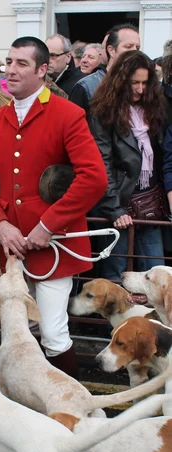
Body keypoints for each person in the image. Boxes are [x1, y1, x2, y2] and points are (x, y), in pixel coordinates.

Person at [0, 36, 108, 377]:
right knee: (18, 333)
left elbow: (94, 178)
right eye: (9, 62)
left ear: (43, 70)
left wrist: (48, 226)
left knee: (53, 333)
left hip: (54, 248)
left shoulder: (68, 115)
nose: (11, 70)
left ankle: (68, 411)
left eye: (22, 64)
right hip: (10, 248)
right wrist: (1, 225)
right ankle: (24, 402)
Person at [90, 50, 166, 280]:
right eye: (134, 82)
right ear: (121, 81)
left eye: (144, 82)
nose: (140, 89)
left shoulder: (155, 108)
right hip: (119, 202)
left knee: (157, 272)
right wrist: (114, 208)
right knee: (117, 275)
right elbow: (101, 161)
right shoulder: (103, 110)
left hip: (150, 201)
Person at [69, 23, 140, 114]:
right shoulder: (86, 86)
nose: (134, 52)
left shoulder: (141, 84)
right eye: (128, 46)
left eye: (137, 47)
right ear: (111, 50)